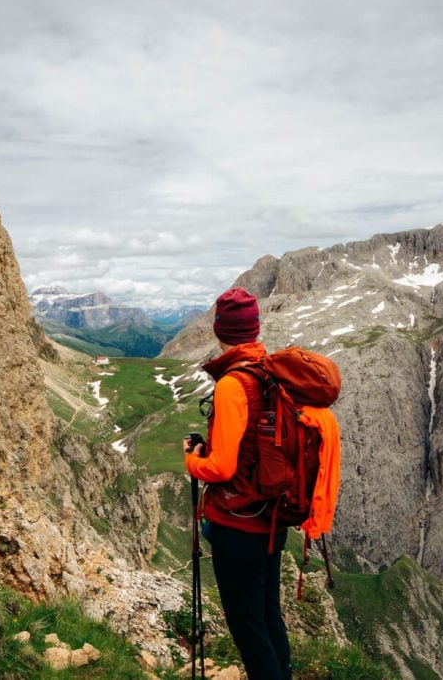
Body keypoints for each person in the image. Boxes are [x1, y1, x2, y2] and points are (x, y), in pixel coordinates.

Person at [183, 287, 292, 680]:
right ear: (256, 329)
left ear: (219, 330)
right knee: (268, 616)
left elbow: (222, 467)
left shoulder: (233, 383)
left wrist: (192, 459)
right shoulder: (270, 369)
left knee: (248, 628)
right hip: (271, 518)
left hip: (240, 525)